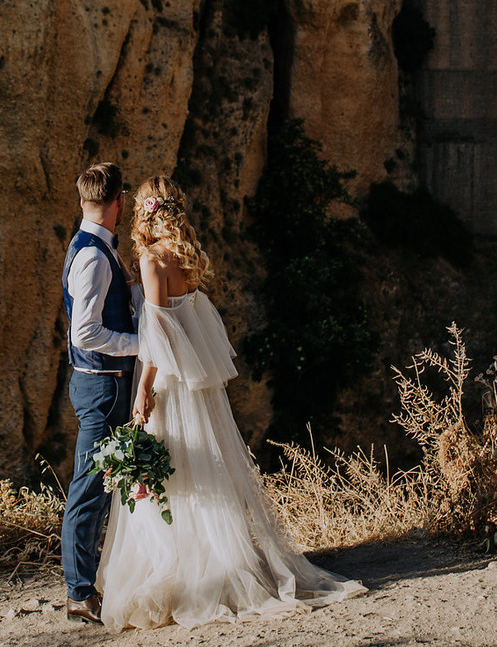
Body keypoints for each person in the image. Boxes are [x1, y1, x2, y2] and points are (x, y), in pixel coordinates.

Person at [97, 176, 365, 630]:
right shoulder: (185, 255)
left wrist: (143, 389)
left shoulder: (149, 258)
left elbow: (158, 333)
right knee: (206, 470)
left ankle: (182, 570)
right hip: (198, 384)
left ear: (145, 211)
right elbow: (188, 316)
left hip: (170, 382)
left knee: (175, 474)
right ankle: (219, 561)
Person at [60, 162, 140, 625]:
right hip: (103, 384)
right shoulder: (91, 255)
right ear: (119, 202)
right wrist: (139, 345)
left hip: (103, 383)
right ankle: (79, 593)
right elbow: (86, 333)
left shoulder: (94, 248)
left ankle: (89, 585)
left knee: (101, 488)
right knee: (89, 489)